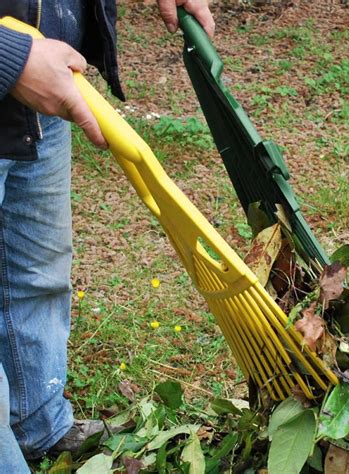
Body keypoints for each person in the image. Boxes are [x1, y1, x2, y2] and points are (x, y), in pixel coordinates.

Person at [0, 0, 214, 471]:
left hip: (45, 86)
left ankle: (38, 425)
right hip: (21, 61)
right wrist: (10, 56)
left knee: (38, 274)